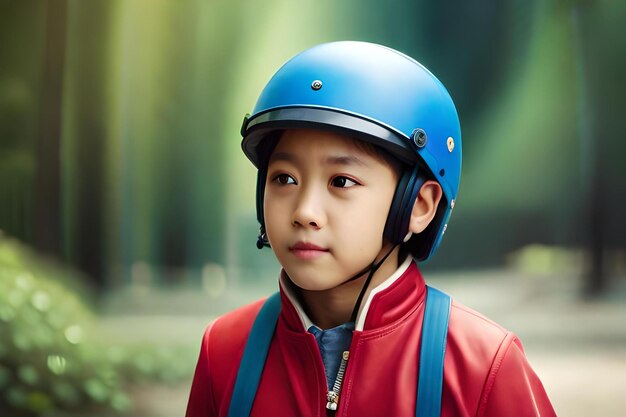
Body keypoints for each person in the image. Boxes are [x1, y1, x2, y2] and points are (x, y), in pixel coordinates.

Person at [185, 41, 556, 417]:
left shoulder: (483, 365)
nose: (305, 212)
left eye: (342, 181)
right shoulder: (226, 350)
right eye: (284, 178)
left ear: (418, 205)